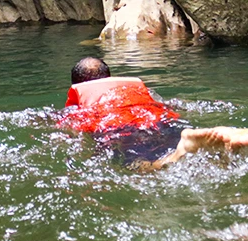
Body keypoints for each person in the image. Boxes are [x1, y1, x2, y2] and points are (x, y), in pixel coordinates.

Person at [58, 57, 248, 169]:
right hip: (159, 121)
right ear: (109, 76)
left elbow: (70, 130)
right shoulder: (133, 92)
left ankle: (179, 153)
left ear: (75, 86)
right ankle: (230, 134)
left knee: (140, 168)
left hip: (123, 131)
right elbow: (170, 106)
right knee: (197, 151)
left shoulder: (79, 107)